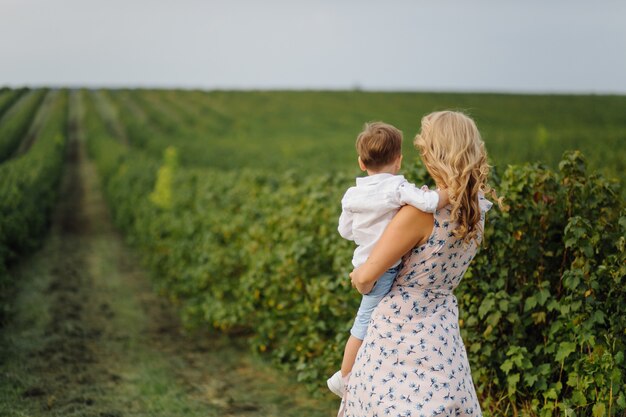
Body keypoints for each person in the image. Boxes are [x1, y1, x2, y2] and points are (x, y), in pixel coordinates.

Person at [339, 111, 499, 417]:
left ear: (431, 154)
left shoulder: (418, 213)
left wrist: (358, 273)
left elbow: (366, 277)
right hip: (442, 334)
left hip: (396, 336)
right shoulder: (476, 209)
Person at [327, 122, 449, 397]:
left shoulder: (352, 194)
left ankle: (353, 373)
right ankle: (344, 378)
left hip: (363, 262)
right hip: (384, 267)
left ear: (361, 162)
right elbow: (429, 204)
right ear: (398, 160)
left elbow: (344, 231)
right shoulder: (397, 188)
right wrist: (448, 192)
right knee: (365, 321)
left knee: (371, 318)